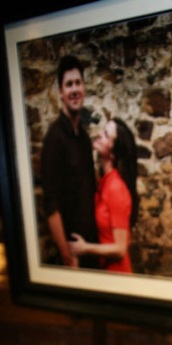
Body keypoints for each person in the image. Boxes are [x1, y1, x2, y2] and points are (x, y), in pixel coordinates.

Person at [41, 54, 98, 268]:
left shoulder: (83, 137)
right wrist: (67, 256)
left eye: (78, 83)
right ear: (61, 93)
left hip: (91, 246)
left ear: (83, 88)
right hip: (73, 255)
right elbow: (51, 205)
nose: (74, 89)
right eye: (68, 85)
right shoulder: (54, 138)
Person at [69, 118, 138, 273]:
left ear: (113, 154)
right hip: (106, 272)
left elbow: (120, 250)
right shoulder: (105, 181)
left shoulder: (116, 188)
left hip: (117, 275)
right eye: (103, 131)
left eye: (106, 135)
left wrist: (84, 248)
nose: (99, 134)